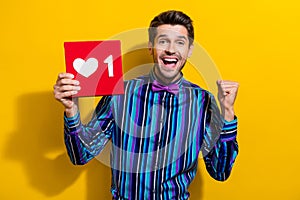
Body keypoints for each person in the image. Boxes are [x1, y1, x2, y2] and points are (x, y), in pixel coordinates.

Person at [54, 10, 239, 200]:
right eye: (163, 41)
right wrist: (71, 109)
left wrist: (228, 113)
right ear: (151, 47)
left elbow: (220, 172)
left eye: (180, 43)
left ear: (189, 51)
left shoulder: (203, 102)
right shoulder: (119, 95)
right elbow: (80, 155)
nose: (171, 49)